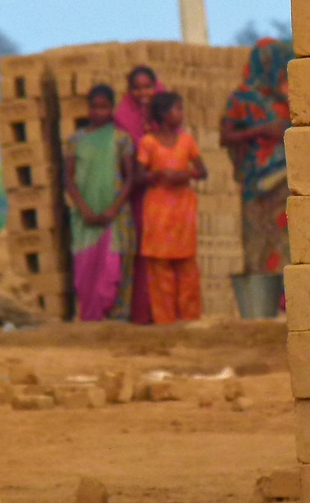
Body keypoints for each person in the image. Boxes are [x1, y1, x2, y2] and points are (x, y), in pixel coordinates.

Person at [220, 38, 294, 318]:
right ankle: (261, 307)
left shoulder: (289, 95)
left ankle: (288, 302)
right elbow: (226, 136)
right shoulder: (240, 98)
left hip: (286, 180)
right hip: (256, 183)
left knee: (286, 241)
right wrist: (260, 130)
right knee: (256, 240)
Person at [62, 84, 137, 321]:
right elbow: (68, 178)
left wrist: (113, 208)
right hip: (84, 218)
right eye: (94, 106)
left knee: (113, 268)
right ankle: (90, 319)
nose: (98, 112)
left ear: (112, 108)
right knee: (85, 270)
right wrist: (83, 209)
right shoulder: (75, 140)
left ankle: (114, 319)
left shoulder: (121, 139)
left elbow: (130, 178)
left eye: (104, 107)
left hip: (114, 217)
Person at [136, 91, 207, 324]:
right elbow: (138, 176)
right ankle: (165, 322)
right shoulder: (148, 142)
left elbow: (203, 171)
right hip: (158, 212)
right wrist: (160, 175)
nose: (181, 113)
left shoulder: (187, 141)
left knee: (187, 267)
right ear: (165, 114)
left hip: (182, 212)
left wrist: (185, 174)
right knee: (160, 267)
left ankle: (190, 319)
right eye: (178, 109)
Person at [114, 65, 162, 324]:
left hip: (166, 196)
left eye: (148, 86)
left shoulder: (167, 111)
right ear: (130, 90)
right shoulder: (123, 116)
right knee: (142, 250)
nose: (143, 92)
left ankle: (164, 312)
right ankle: (141, 312)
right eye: (137, 87)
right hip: (138, 194)